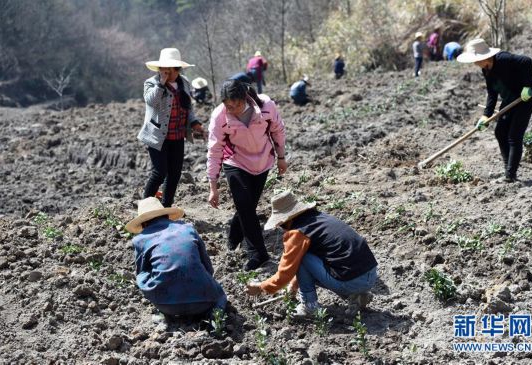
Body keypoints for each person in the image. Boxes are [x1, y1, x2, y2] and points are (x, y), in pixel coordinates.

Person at [246, 191, 379, 316]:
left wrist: (261, 287)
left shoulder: (297, 233)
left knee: (302, 258)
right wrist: (293, 285)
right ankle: (357, 295)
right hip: (370, 274)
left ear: (286, 220)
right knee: (310, 257)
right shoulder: (319, 219)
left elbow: (284, 274)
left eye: (281, 224)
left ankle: (309, 306)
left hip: (352, 281)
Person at [207, 79, 287, 270]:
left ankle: (234, 237)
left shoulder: (266, 106)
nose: (231, 109)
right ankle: (258, 254)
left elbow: (278, 131)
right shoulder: (219, 116)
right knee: (244, 204)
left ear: (245, 98)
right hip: (235, 161)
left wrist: (282, 156)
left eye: (236, 105)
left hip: (262, 162)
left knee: (247, 205)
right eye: (228, 105)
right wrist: (213, 186)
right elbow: (214, 149)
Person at [125, 197, 227, 318]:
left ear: (144, 224)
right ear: (167, 216)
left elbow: (141, 271)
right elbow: (208, 266)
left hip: (166, 305)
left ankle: (165, 315)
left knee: (142, 274)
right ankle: (216, 316)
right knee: (221, 295)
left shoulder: (140, 240)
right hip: (204, 301)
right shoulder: (188, 229)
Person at [457, 38, 532, 182]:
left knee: (514, 136)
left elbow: (526, 61)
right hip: (510, 100)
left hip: (524, 100)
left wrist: (527, 86)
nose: (473, 63)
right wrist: (486, 116)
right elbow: (492, 93)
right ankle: (508, 167)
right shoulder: (486, 69)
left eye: (474, 59)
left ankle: (510, 175)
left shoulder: (503, 59)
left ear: (484, 57)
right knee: (500, 132)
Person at [139, 48, 207, 207]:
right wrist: (161, 84)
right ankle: (145, 207)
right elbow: (151, 101)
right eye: (163, 69)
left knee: (175, 174)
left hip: (177, 136)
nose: (166, 72)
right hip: (157, 136)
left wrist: (195, 123)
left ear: (177, 69)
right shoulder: (152, 83)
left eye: (170, 69)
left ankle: (165, 206)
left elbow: (188, 107)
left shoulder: (184, 83)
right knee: (159, 172)